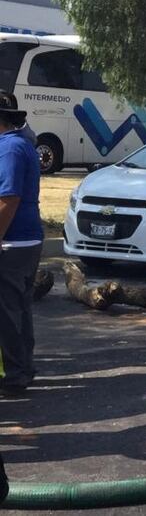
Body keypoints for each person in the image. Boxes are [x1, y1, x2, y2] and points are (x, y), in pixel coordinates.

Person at [0, 92, 44, 397]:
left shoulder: (9, 148)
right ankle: (24, 367)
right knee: (21, 308)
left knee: (8, 312)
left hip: (13, 241)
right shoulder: (20, 144)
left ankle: (16, 373)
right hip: (27, 239)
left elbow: (9, 198)